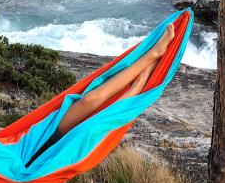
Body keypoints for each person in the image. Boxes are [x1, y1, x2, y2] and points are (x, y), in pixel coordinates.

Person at [25, 22, 176, 167]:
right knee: (97, 125)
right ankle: (140, 82)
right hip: (43, 161)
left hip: (33, 144)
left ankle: (152, 55)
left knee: (89, 99)